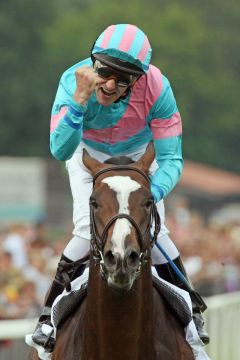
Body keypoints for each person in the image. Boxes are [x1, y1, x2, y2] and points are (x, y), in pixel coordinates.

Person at [32, 24, 209, 350]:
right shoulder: (73, 80)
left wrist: (149, 196)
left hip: (139, 157)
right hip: (87, 154)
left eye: (123, 78)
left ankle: (192, 312)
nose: (110, 84)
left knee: (155, 232)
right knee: (87, 229)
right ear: (93, 63)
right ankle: (47, 318)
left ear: (138, 79)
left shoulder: (158, 88)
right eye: (105, 72)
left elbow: (172, 158)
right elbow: (60, 149)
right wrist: (80, 100)